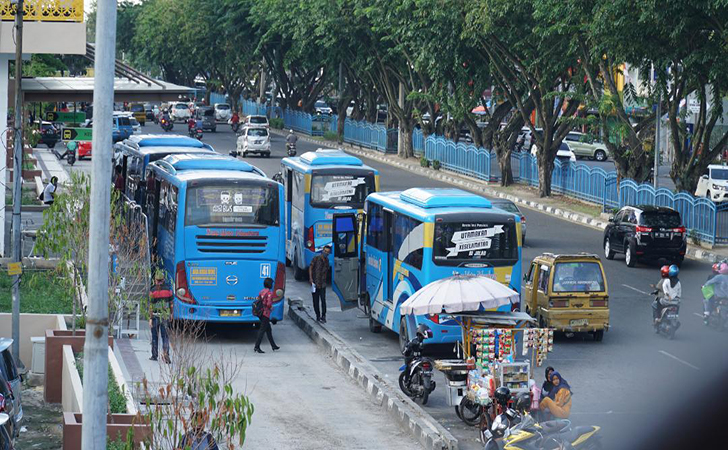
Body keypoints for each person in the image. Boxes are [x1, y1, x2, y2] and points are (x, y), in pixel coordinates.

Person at [149, 270, 172, 363]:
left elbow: (151, 306)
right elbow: (171, 304)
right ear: (163, 280)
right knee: (165, 336)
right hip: (165, 316)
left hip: (155, 316)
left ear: (155, 280)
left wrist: (150, 318)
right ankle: (166, 353)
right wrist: (171, 314)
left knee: (155, 336)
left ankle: (154, 355)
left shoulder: (152, 291)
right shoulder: (168, 290)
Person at [254, 277, 281, 353]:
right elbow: (268, 303)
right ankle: (257, 346)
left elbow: (258, 299)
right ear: (270, 284)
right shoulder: (269, 293)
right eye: (272, 283)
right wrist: (271, 307)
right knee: (262, 330)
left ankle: (273, 345)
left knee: (268, 329)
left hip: (260, 313)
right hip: (265, 313)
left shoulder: (261, 291)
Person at [309, 245, 331, 323]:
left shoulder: (327, 261)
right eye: (325, 251)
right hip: (315, 283)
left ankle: (323, 315)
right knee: (315, 301)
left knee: (323, 300)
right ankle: (317, 315)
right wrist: (311, 279)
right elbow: (311, 268)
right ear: (322, 251)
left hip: (323, 284)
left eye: (328, 252)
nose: (326, 253)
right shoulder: (316, 258)